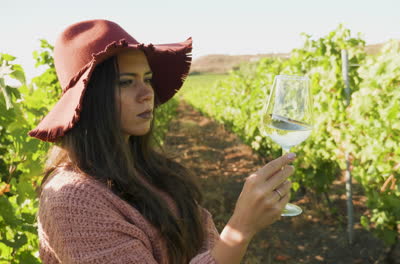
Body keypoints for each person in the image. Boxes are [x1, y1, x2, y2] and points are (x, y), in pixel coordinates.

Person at [29, 19, 295, 264]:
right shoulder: (73, 200)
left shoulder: (149, 170)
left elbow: (204, 241)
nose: (147, 93)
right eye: (125, 82)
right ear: (89, 99)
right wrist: (241, 228)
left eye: (147, 79)